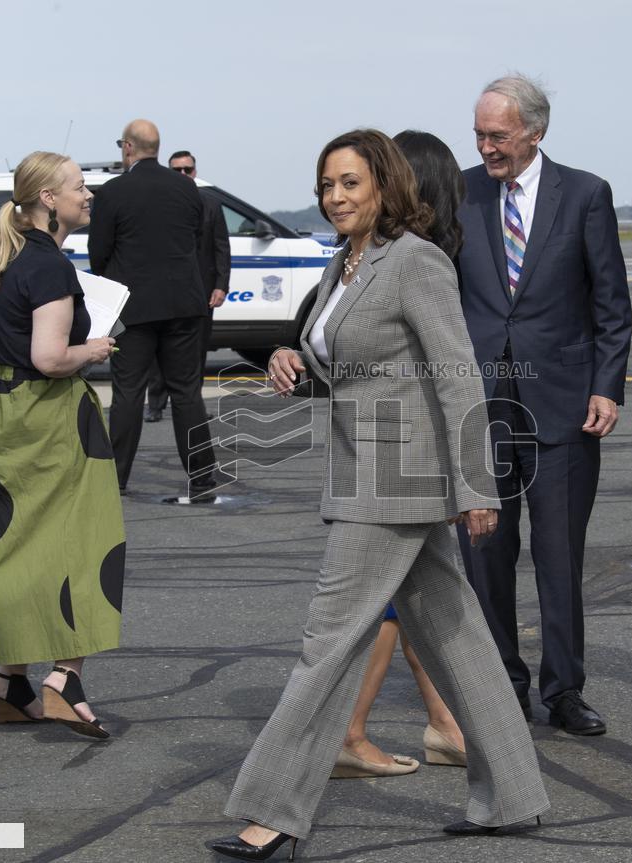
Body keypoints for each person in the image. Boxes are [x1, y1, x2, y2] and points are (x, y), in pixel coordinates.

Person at [210, 129, 549, 861]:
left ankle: (272, 811)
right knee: (458, 639)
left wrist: (477, 485)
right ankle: (513, 796)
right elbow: (354, 367)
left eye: (350, 183)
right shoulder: (344, 263)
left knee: (326, 644)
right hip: (365, 470)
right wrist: (291, 357)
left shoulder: (415, 261)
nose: (335, 197)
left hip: (395, 481)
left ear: (385, 186)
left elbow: (456, 374)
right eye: (326, 185)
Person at [455, 73, 632, 735]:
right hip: (479, 408)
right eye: (479, 134)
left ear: (534, 131)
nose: (485, 147)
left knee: (559, 559)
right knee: (485, 558)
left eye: (497, 135)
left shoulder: (585, 194)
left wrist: (607, 386)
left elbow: (611, 304)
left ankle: (564, 690)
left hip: (563, 406)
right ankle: (502, 685)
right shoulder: (458, 193)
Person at [0, 151, 124, 739]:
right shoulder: (51, 267)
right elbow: (51, 358)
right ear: (49, 199)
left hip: (0, 411)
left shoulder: (4, 257)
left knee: (13, 544)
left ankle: (10, 682)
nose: (89, 194)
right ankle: (65, 678)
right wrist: (95, 349)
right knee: (83, 538)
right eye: (79, 186)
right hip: (48, 416)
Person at [332, 130, 468, 780]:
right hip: (402, 459)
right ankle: (350, 731)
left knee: (419, 605)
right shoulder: (407, 259)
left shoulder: (400, 258)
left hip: (396, 456)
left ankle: (445, 724)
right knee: (385, 608)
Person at [89, 119, 217, 498]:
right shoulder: (187, 187)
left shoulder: (113, 192)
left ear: (128, 147)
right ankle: (202, 475)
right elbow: (195, 238)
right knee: (186, 392)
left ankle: (116, 478)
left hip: (133, 307)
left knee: (128, 392)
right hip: (184, 304)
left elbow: (99, 252)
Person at [145, 149, 230, 423]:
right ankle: (155, 404)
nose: (183, 174)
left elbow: (221, 248)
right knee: (160, 351)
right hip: (165, 291)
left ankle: (194, 407)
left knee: (196, 352)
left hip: (202, 292)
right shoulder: (157, 204)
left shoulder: (211, 204)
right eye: (176, 170)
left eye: (187, 169)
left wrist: (221, 285)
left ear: (195, 171)